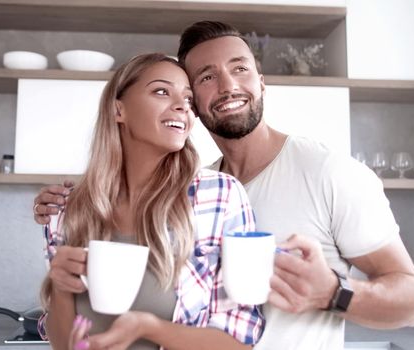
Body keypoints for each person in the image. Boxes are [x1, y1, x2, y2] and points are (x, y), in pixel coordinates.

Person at [34, 22, 414, 350]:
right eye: (206, 77)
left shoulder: (328, 172)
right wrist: (71, 212)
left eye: (240, 68)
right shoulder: (200, 189)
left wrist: (333, 293)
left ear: (261, 80)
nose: (227, 85)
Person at [37, 53, 264, 350]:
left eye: (188, 99)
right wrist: (62, 287)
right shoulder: (66, 209)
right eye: (161, 91)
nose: (183, 106)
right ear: (119, 110)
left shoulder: (219, 197)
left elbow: (241, 339)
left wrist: (151, 329)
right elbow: (63, 343)